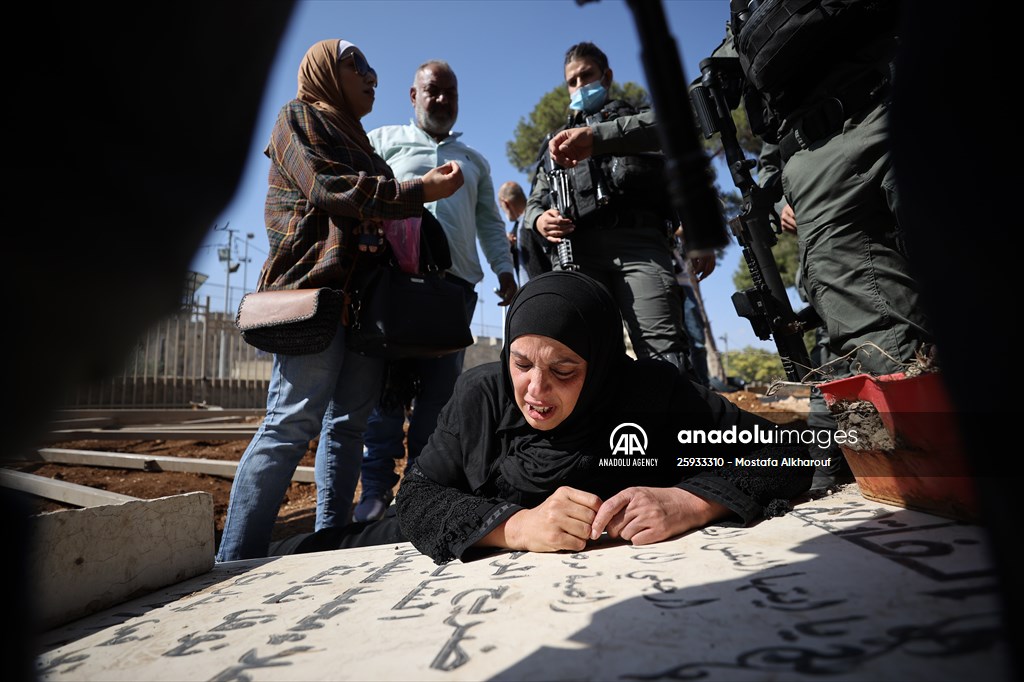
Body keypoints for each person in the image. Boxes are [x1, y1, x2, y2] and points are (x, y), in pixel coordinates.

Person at [281, 271, 812, 562]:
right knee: (291, 555)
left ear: (601, 364)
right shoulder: (483, 398)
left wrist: (688, 502)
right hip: (440, 547)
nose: (536, 391)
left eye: (564, 370)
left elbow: (782, 450)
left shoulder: (650, 395)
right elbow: (418, 497)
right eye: (521, 363)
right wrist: (517, 526)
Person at [215, 38, 465, 562]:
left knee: (349, 425)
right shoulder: (299, 117)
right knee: (292, 423)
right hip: (318, 294)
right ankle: (235, 557)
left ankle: (328, 543)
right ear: (326, 71)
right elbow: (332, 189)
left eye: (374, 66)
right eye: (360, 65)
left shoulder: (365, 144)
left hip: (364, 305)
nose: (372, 75)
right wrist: (418, 192)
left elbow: (378, 205)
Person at [350, 60, 517, 523]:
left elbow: (489, 221)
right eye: (433, 90)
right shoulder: (382, 141)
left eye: (451, 92)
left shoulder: (475, 161)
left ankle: (421, 491)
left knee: (438, 401)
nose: (442, 99)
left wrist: (503, 269)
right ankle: (375, 492)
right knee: (386, 397)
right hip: (395, 287)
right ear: (413, 95)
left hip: (454, 290)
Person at [523, 42, 712, 379]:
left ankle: (678, 428)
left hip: (641, 247)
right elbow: (535, 202)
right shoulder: (555, 143)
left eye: (587, 75)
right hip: (579, 255)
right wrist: (539, 220)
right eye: (572, 81)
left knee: (664, 355)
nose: (580, 85)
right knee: (585, 355)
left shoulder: (637, 122)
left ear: (606, 76)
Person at [499, 180, 550, 285]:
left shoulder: (534, 221)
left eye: (501, 207)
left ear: (506, 203)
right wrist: (510, 248)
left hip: (542, 288)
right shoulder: (519, 228)